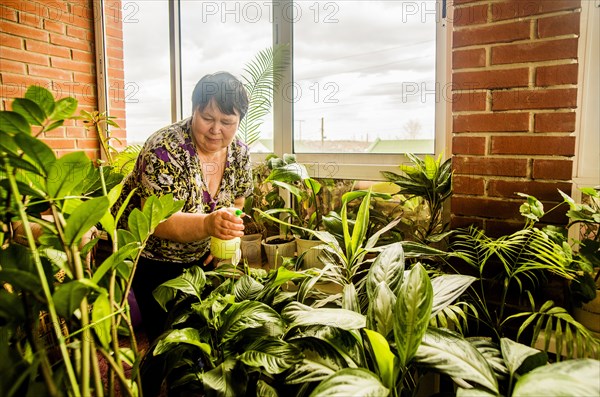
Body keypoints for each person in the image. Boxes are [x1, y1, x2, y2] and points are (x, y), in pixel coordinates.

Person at [115, 72, 253, 341]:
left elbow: (238, 200)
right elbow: (159, 221)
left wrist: (225, 244)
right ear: (193, 111)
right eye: (207, 118)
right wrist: (209, 224)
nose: (216, 129)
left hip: (202, 255)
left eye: (227, 122)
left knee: (203, 334)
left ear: (238, 122)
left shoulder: (239, 152)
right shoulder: (164, 148)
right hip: (152, 256)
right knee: (167, 340)